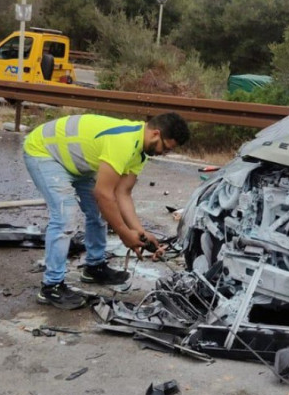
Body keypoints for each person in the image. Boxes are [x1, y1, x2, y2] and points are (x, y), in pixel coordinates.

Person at [23, 112, 191, 309]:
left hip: (76, 162)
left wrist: (139, 231)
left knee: (99, 214)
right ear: (156, 134)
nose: (165, 153)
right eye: (166, 148)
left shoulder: (141, 151)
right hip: (44, 152)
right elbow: (103, 194)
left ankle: (94, 267)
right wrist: (124, 234)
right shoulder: (123, 142)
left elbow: (123, 193)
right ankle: (51, 286)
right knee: (65, 218)